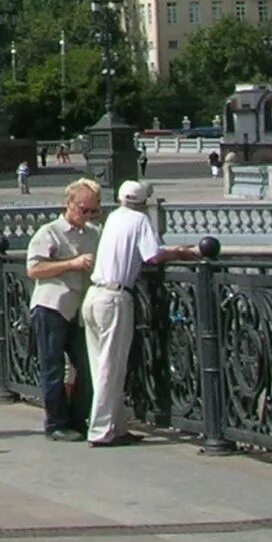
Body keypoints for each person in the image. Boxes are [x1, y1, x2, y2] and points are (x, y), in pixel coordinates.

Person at [85, 179, 196, 447]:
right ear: (143, 202)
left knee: (100, 365)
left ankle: (116, 426)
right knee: (111, 367)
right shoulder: (139, 220)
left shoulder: (113, 217)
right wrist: (179, 253)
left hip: (93, 296)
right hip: (115, 298)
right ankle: (100, 431)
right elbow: (152, 256)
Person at [25, 179, 101, 442]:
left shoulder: (94, 234)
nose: (89, 216)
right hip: (51, 306)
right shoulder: (50, 232)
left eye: (94, 210)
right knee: (53, 367)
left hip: (79, 310)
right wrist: (72, 264)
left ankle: (78, 418)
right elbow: (34, 269)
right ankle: (56, 423)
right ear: (69, 204)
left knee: (88, 365)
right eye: (84, 209)